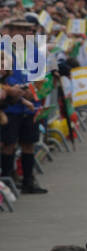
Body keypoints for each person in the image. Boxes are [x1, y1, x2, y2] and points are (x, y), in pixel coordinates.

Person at [0, 13, 47, 193]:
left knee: (29, 143)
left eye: (26, 30)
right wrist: (13, 90)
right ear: (10, 32)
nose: (23, 33)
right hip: (10, 105)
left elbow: (41, 77)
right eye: (18, 30)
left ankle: (28, 181)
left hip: (30, 104)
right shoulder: (2, 48)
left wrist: (33, 90)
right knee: (9, 144)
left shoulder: (36, 50)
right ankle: (7, 181)